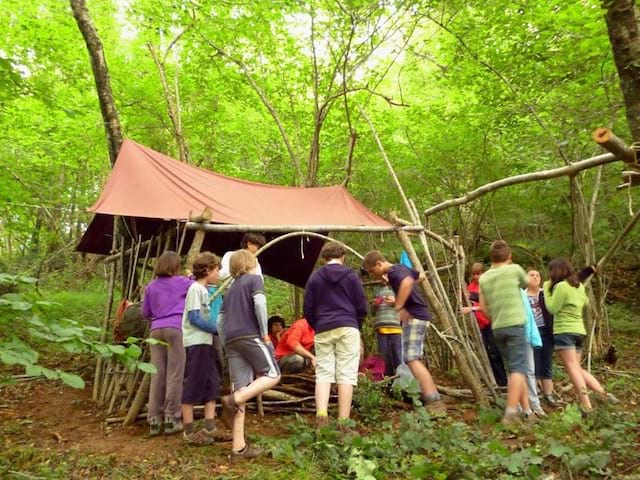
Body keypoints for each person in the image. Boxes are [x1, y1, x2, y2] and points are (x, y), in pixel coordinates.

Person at [363, 251, 446, 414]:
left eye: (373, 271)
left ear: (379, 264)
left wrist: (399, 305)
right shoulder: (400, 268)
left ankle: (433, 399)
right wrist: (407, 302)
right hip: (413, 315)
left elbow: (408, 282)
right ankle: (429, 395)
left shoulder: (393, 272)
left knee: (411, 358)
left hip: (416, 316)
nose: (374, 275)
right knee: (411, 358)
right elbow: (419, 276)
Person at [219, 250, 281, 461]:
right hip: (249, 335)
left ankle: (238, 448)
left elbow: (220, 321)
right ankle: (232, 399)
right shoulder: (254, 280)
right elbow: (261, 304)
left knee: (242, 388)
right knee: (273, 375)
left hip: (231, 341)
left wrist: (225, 342)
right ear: (250, 264)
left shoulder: (229, 290)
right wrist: (264, 333)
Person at [304, 242, 368, 428]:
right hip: (348, 326)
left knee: (323, 373)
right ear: (343, 256)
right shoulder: (351, 276)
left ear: (324, 258)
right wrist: (356, 322)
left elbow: (308, 308)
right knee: (346, 374)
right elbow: (361, 305)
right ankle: (343, 423)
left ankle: (321, 416)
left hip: (323, 327)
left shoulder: (315, 277)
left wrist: (318, 324)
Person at [543, 258, 618, 413]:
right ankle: (604, 394)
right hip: (579, 331)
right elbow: (585, 302)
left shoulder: (561, 287)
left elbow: (552, 308)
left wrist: (546, 290)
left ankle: (587, 406)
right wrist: (589, 270)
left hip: (564, 331)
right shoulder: (578, 287)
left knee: (572, 369)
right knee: (577, 367)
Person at [478, 240, 531, 426]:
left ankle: (527, 412)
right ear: (509, 256)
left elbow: (483, 308)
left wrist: (496, 317)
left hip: (497, 327)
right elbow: (526, 285)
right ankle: (510, 412)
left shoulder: (483, 278)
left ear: (491, 257)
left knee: (515, 370)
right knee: (518, 369)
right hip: (515, 324)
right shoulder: (514, 269)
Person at [181, 252, 231, 446]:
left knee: (212, 382)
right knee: (193, 383)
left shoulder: (204, 290)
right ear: (207, 270)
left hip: (206, 341)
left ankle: (210, 427)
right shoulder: (195, 289)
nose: (219, 273)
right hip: (196, 343)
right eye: (217, 269)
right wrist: (217, 329)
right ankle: (189, 431)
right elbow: (194, 318)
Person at [142, 251, 192, 437]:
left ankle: (154, 420)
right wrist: (190, 276)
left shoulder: (151, 286)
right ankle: (172, 418)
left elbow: (145, 313)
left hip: (156, 331)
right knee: (175, 374)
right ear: (175, 266)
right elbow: (198, 288)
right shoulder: (182, 282)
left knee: (158, 374)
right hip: (175, 329)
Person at [462, 263, 507, 387]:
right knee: (485, 353)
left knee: (494, 352)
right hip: (479, 324)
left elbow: (489, 304)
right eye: (474, 274)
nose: (477, 276)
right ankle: (491, 378)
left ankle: (502, 380)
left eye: (479, 273)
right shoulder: (471, 286)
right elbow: (468, 303)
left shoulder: (489, 285)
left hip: (490, 322)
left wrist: (473, 304)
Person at [526, 269, 560, 408]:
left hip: (546, 330)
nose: (535, 277)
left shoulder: (545, 294)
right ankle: (534, 395)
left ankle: (548, 395)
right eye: (532, 275)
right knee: (533, 364)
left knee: (546, 362)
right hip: (530, 332)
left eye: (537, 275)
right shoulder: (522, 296)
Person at [371, 282, 403, 377]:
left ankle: (402, 384)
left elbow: (405, 305)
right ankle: (387, 383)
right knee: (384, 357)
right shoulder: (376, 289)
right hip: (381, 328)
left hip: (396, 328)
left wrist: (395, 302)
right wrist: (374, 305)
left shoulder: (397, 287)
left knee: (398, 356)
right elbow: (372, 312)